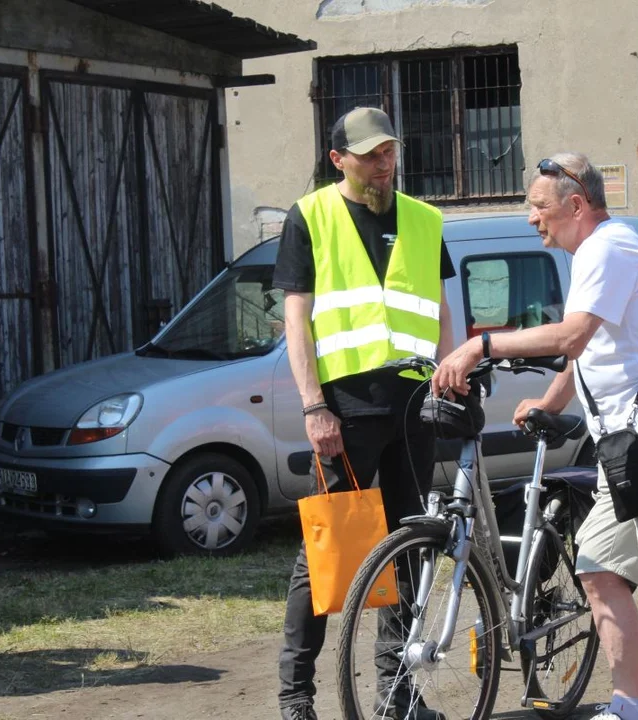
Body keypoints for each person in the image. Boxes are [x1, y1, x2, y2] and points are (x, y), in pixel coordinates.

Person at [435, 154, 638, 720]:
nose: (531, 219)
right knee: (599, 569)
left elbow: (572, 333)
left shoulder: (607, 248)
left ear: (576, 205)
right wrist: (552, 401)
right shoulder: (599, 250)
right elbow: (588, 345)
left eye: (538, 207)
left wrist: (480, 346)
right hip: (627, 441)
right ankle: (629, 705)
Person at [271, 106, 456, 720]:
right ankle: (296, 699)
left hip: (414, 408)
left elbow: (439, 310)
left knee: (409, 552)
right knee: (327, 555)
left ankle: (397, 696)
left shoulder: (426, 221)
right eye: (372, 154)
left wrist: (448, 382)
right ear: (338, 160)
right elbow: (296, 320)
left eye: (390, 151)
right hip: (344, 413)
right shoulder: (312, 216)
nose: (385, 163)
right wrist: (313, 405)